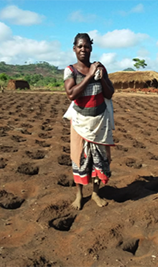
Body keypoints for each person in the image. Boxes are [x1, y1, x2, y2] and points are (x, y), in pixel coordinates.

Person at [63, 33, 115, 210]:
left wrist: (100, 77)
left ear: (91, 48)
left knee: (98, 158)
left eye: (86, 46)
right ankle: (79, 195)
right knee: (79, 158)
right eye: (79, 46)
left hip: (99, 121)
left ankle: (95, 193)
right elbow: (71, 94)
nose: (83, 49)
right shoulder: (70, 70)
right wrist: (89, 76)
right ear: (74, 49)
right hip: (80, 122)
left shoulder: (100, 68)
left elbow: (109, 93)